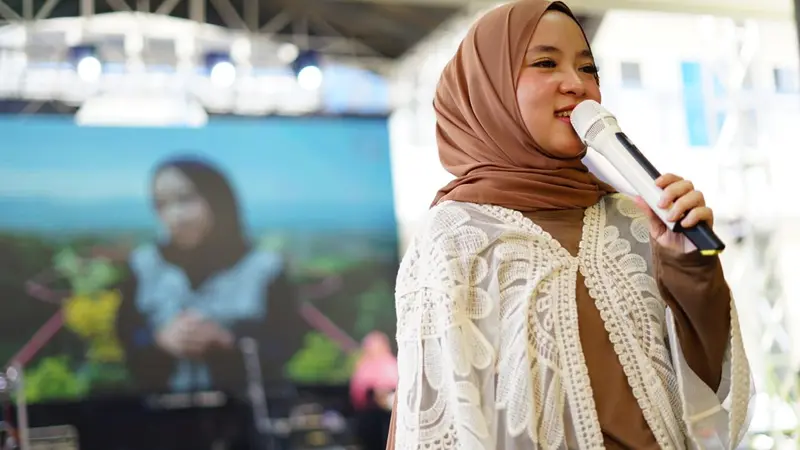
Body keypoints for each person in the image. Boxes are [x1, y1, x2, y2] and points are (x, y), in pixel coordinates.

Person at [387, 1, 754, 449]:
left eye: (588, 69)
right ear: (488, 91)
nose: (576, 85)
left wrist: (689, 267)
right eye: (545, 63)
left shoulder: (636, 221)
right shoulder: (455, 238)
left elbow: (706, 389)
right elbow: (437, 425)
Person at [116, 157, 308, 395]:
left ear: (217, 199)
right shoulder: (142, 265)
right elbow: (125, 337)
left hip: (246, 412)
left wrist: (228, 342)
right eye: (161, 205)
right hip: (157, 414)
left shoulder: (264, 268)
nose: (175, 216)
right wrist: (160, 340)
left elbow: (289, 343)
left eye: (185, 200)